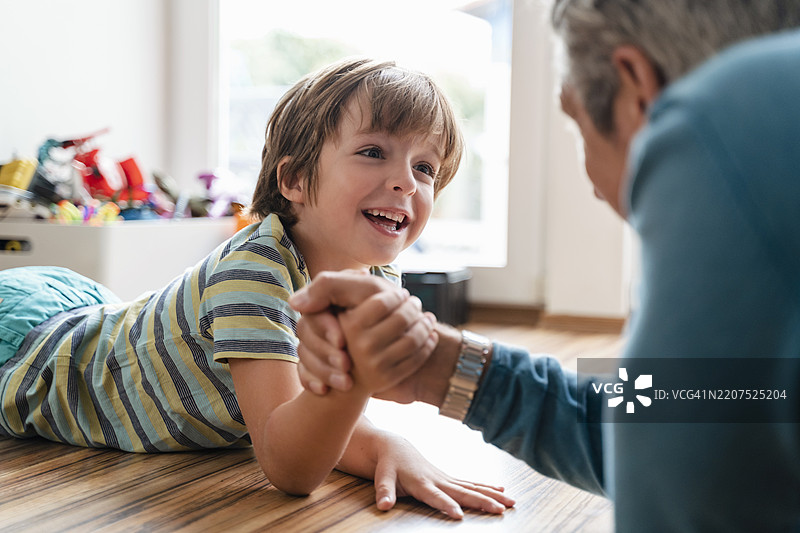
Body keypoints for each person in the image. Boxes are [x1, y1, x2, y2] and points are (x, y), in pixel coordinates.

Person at [289, 2, 800, 531]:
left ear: (635, 89)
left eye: (574, 122)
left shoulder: (731, 121)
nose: (594, 184)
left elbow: (673, 456)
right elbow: (678, 407)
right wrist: (440, 364)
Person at [0, 58, 515, 519]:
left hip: (85, 314)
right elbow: (288, 465)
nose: (406, 181)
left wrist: (387, 440)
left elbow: (323, 405)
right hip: (46, 363)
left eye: (425, 166)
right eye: (374, 151)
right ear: (294, 181)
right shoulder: (255, 271)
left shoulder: (376, 274)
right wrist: (365, 389)